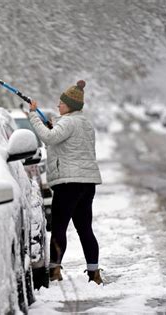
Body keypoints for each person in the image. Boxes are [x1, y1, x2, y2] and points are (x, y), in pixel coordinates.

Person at [27, 80, 103, 284]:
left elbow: (49, 138)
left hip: (69, 183)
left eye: (61, 103)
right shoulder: (85, 123)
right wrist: (53, 126)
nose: (57, 106)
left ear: (69, 105)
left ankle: (54, 270)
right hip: (87, 183)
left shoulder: (68, 122)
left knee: (59, 227)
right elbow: (65, 142)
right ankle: (94, 272)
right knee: (85, 228)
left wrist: (33, 115)